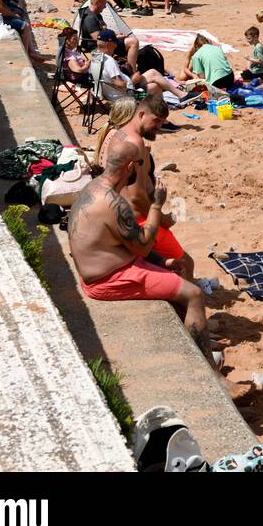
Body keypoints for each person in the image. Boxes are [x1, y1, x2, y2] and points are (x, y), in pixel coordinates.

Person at [68, 145, 215, 364]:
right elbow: (144, 246)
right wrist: (157, 205)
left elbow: (126, 244)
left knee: (175, 271)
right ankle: (212, 372)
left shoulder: (93, 188)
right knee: (193, 294)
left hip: (106, 269)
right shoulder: (114, 204)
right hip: (108, 280)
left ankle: (198, 341)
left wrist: (161, 260)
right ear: (129, 167)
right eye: (139, 166)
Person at [79, 0, 140, 71]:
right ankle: (131, 71)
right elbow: (99, 39)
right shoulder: (90, 18)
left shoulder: (97, 15)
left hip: (107, 41)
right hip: (99, 46)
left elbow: (104, 30)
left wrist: (115, 34)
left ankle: (128, 67)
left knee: (130, 40)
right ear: (97, 3)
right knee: (133, 42)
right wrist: (116, 37)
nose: (105, 7)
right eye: (104, 4)